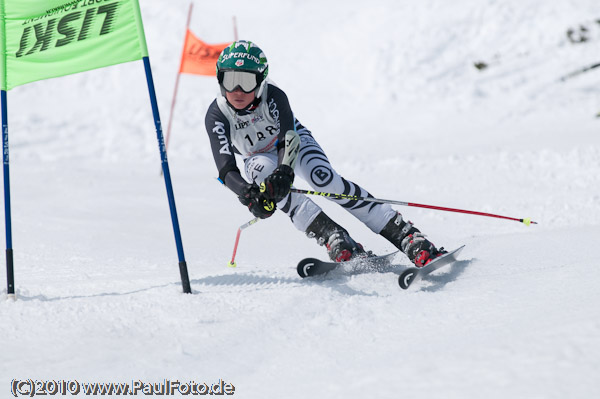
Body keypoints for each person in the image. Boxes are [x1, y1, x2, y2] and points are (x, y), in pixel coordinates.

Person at [204, 40, 446, 266]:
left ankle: (404, 234)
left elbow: (287, 139)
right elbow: (226, 169)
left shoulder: (274, 95)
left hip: (291, 146)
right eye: (229, 80)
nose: (237, 90)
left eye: (246, 82)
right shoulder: (217, 114)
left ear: (261, 81)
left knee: (323, 179)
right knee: (272, 186)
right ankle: (332, 236)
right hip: (256, 158)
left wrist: (285, 171)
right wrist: (249, 195)